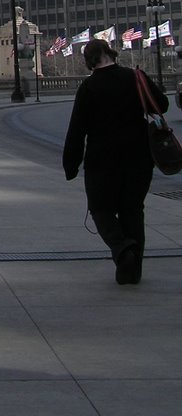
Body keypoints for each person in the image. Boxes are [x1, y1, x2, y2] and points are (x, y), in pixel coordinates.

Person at [62, 38, 168, 285]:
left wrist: (71, 164)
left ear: (89, 61)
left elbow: (76, 130)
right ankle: (132, 271)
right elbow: (161, 105)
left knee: (101, 210)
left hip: (102, 160)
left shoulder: (89, 88)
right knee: (133, 211)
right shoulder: (135, 77)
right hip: (139, 157)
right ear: (111, 53)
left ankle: (122, 249)